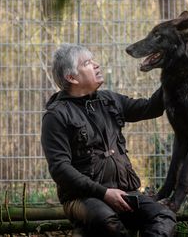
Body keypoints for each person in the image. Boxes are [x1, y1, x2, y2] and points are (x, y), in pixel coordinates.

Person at [41, 43, 176, 237]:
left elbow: (151, 108)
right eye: (87, 63)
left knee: (164, 217)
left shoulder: (110, 100)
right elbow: (60, 169)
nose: (96, 65)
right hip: (82, 199)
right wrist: (104, 193)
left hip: (125, 192)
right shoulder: (56, 115)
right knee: (106, 222)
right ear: (71, 77)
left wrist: (174, 73)